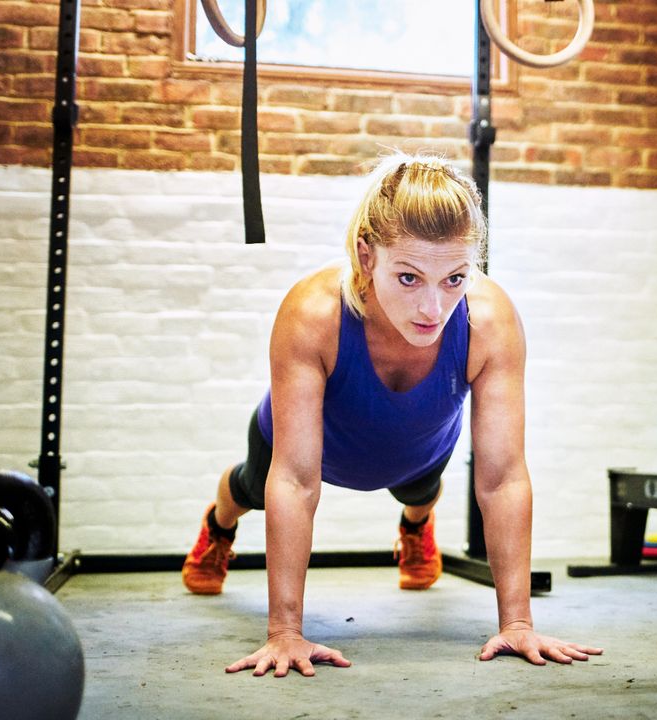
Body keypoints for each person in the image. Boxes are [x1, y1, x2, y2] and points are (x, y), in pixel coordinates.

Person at [181, 153, 602, 677]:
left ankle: (415, 527)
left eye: (454, 278)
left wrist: (517, 622)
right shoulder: (312, 313)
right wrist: (284, 633)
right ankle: (218, 527)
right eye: (408, 278)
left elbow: (502, 477)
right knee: (249, 487)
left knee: (420, 492)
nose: (432, 308)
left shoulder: (489, 320)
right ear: (366, 256)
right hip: (304, 447)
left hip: (416, 447)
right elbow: (292, 479)